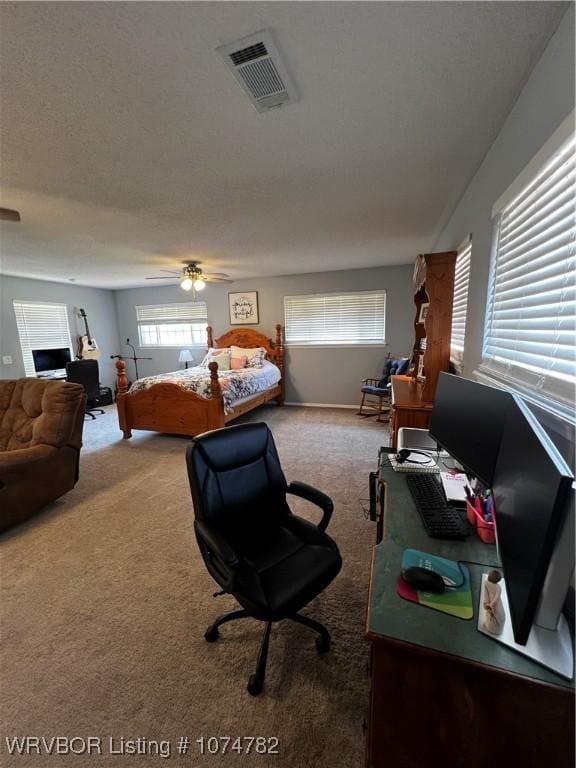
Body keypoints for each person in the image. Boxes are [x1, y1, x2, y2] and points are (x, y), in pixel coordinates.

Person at [482, 569, 506, 635]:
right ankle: (492, 628)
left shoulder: (486, 583)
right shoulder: (498, 587)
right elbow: (496, 597)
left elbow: (488, 598)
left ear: (489, 577)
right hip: (496, 609)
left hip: (492, 607)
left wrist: (489, 605)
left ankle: (490, 628)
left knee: (491, 616)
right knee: (496, 615)